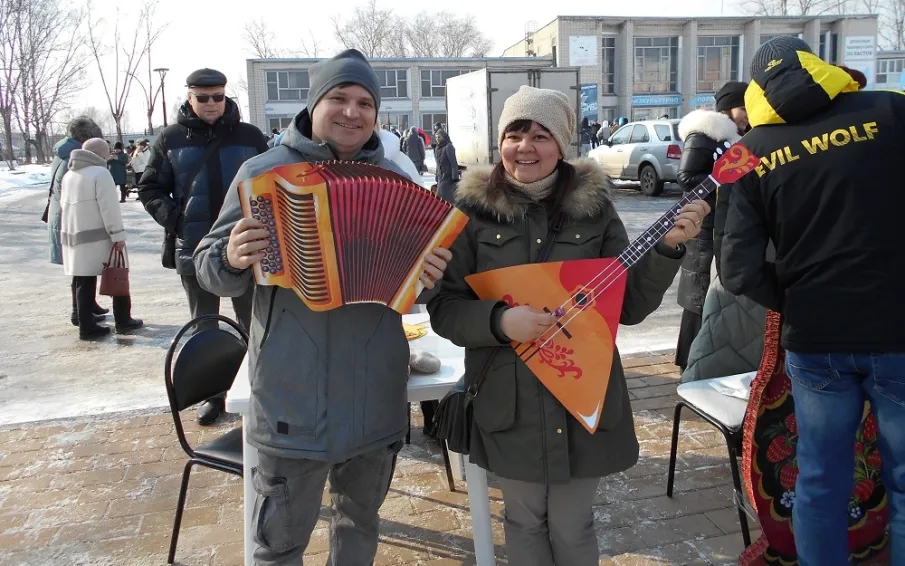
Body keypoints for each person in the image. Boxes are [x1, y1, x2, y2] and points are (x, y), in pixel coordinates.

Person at [427, 85, 709, 566]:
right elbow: (446, 307)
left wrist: (666, 250)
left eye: (541, 135)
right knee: (522, 521)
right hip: (507, 401)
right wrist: (499, 320)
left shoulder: (594, 209)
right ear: (501, 142)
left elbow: (630, 305)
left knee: (573, 525)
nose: (526, 147)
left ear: (561, 144)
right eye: (516, 134)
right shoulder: (469, 214)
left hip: (582, 395)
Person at [193, 49, 452, 565]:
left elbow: (412, 291)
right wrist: (229, 255)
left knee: (359, 527)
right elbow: (207, 266)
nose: (351, 112)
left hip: (375, 397)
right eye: (338, 98)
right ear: (314, 104)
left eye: (364, 102)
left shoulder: (397, 178)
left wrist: (429, 280)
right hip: (291, 400)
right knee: (278, 544)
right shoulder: (263, 173)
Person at [720, 36, 905, 564]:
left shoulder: (748, 151)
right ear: (818, 65)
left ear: (758, 88)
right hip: (898, 330)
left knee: (820, 481)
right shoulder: (891, 110)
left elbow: (736, 268)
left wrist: (796, 295)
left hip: (816, 338)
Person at [138, 68, 268, 425]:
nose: (211, 104)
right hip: (194, 250)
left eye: (218, 97)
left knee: (253, 321)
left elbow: (272, 181)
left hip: (245, 247)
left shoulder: (250, 136)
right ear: (190, 98)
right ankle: (215, 394)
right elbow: (149, 189)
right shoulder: (170, 138)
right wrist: (179, 221)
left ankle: (256, 389)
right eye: (203, 97)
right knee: (204, 325)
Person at [673, 81, 749, 371]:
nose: (746, 114)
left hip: (722, 222)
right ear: (727, 108)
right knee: (699, 294)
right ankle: (689, 362)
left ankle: (707, 358)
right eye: (742, 107)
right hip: (702, 225)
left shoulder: (737, 138)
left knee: (713, 294)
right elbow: (686, 177)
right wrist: (726, 180)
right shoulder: (705, 133)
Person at [60, 138, 143, 339]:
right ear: (101, 154)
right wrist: (118, 235)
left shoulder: (69, 175)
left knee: (83, 281)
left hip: (74, 237)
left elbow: (63, 205)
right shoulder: (100, 173)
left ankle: (85, 324)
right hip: (101, 236)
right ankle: (123, 320)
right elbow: (109, 209)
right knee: (117, 273)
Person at [47, 116, 110, 327]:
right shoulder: (73, 159)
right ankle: (80, 312)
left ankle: (87, 306)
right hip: (74, 220)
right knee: (82, 270)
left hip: (65, 218)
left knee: (81, 269)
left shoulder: (65, 153)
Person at [434, 129, 459, 202]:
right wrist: (436, 175)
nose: (437, 139)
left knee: (445, 195)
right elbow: (437, 164)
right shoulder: (437, 148)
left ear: (444, 137)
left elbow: (453, 163)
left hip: (448, 177)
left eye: (439, 137)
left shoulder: (449, 147)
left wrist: (455, 177)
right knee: (441, 197)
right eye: (436, 137)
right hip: (440, 176)